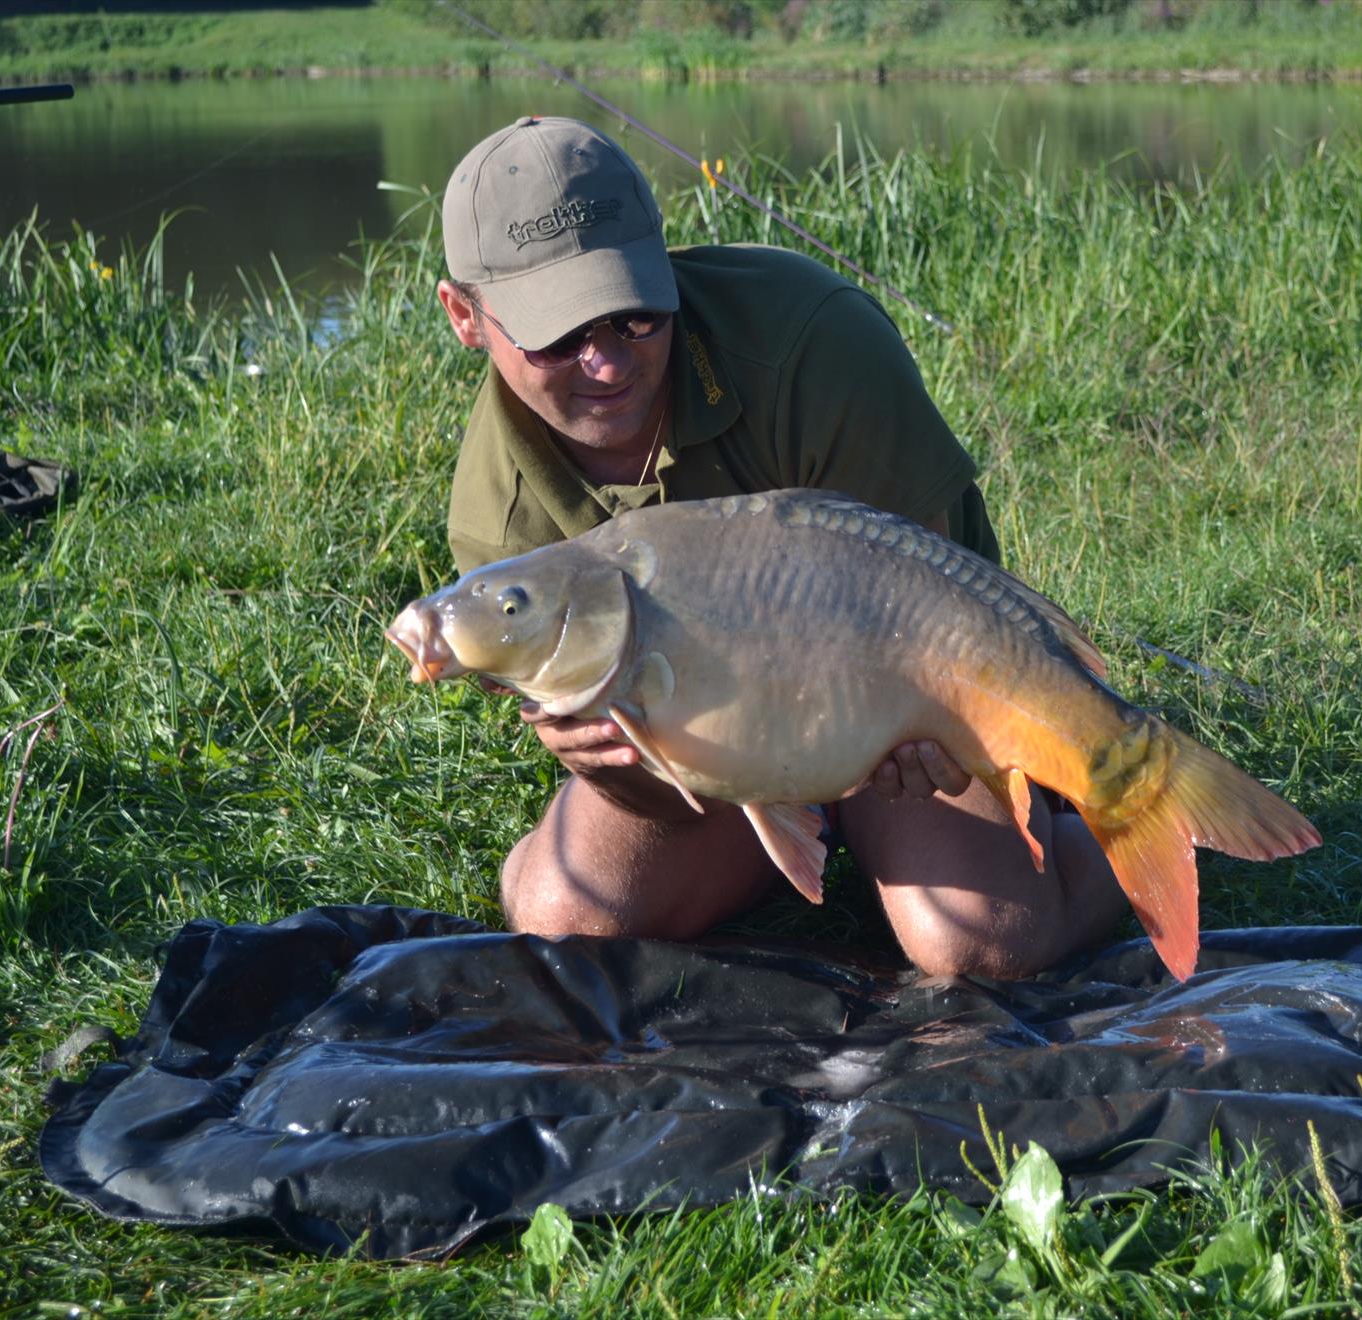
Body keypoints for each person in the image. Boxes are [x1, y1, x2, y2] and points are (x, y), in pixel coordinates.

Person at [435, 116, 1125, 979]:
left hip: (901, 700)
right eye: (558, 335)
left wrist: (913, 738)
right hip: (714, 753)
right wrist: (612, 771)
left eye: (634, 316)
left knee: (979, 940)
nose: (607, 363)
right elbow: (655, 786)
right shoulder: (498, 522)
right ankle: (794, 851)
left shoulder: (811, 340)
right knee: (562, 917)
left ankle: (1133, 830)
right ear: (466, 315)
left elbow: (939, 618)